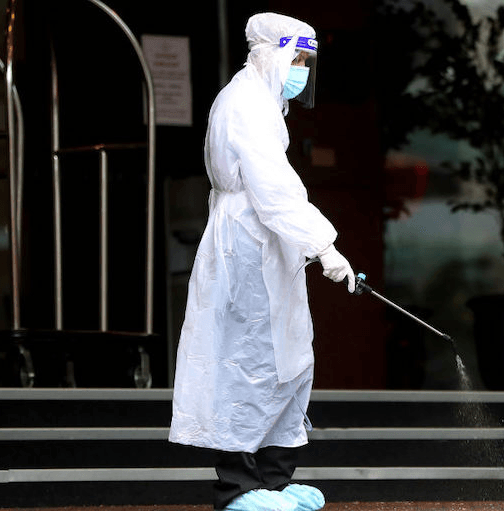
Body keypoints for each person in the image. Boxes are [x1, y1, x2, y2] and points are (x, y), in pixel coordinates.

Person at [168, 12, 356, 511]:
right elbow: (273, 190)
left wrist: (314, 245)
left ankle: (275, 479)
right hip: (247, 242)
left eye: (305, 61)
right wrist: (324, 244)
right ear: (269, 53)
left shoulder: (266, 103)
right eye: (295, 59)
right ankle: (239, 487)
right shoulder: (244, 104)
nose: (300, 71)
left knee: (286, 359)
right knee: (245, 358)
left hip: (269, 243)